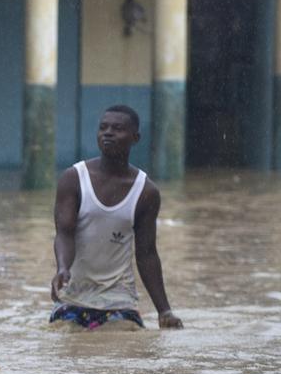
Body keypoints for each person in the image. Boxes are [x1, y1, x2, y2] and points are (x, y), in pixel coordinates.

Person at [50, 105, 183, 330]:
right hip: (73, 297)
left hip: (119, 299)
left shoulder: (146, 191)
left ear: (135, 138)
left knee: (120, 348)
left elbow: (147, 254)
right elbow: (64, 233)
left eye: (118, 128)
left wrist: (164, 311)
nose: (108, 133)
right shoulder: (73, 178)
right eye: (103, 128)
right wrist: (62, 268)